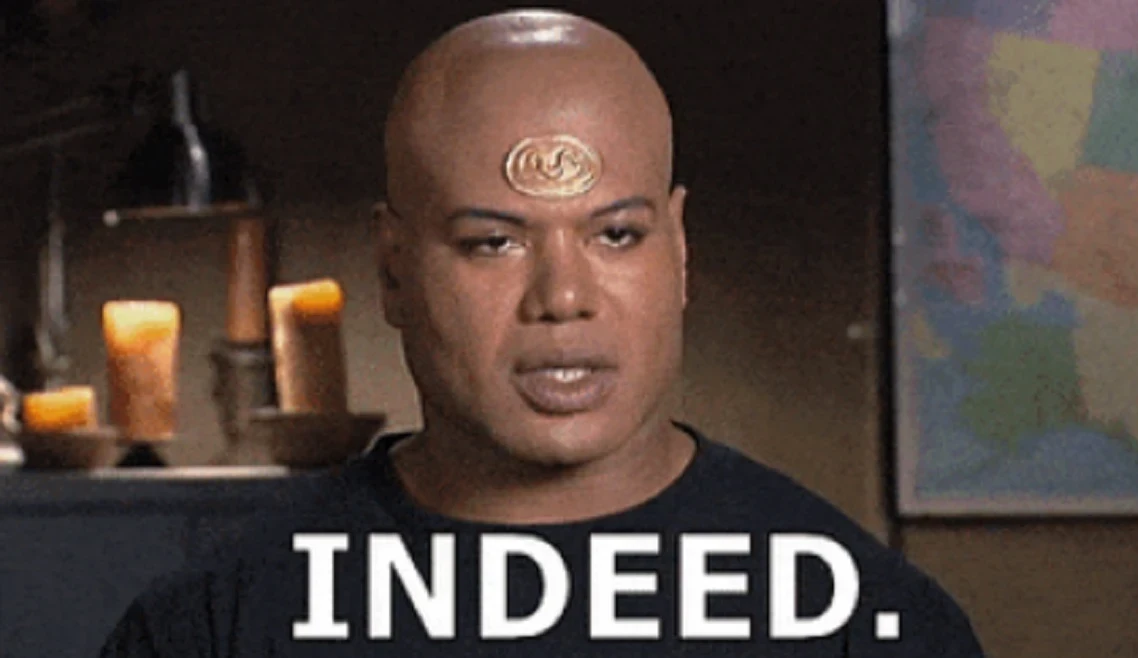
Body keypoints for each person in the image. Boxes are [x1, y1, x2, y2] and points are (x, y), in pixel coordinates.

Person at [99, 8, 985, 657]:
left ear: (678, 251)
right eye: (494, 243)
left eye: (617, 235)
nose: (563, 297)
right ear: (394, 270)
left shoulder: (873, 626)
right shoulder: (218, 627)